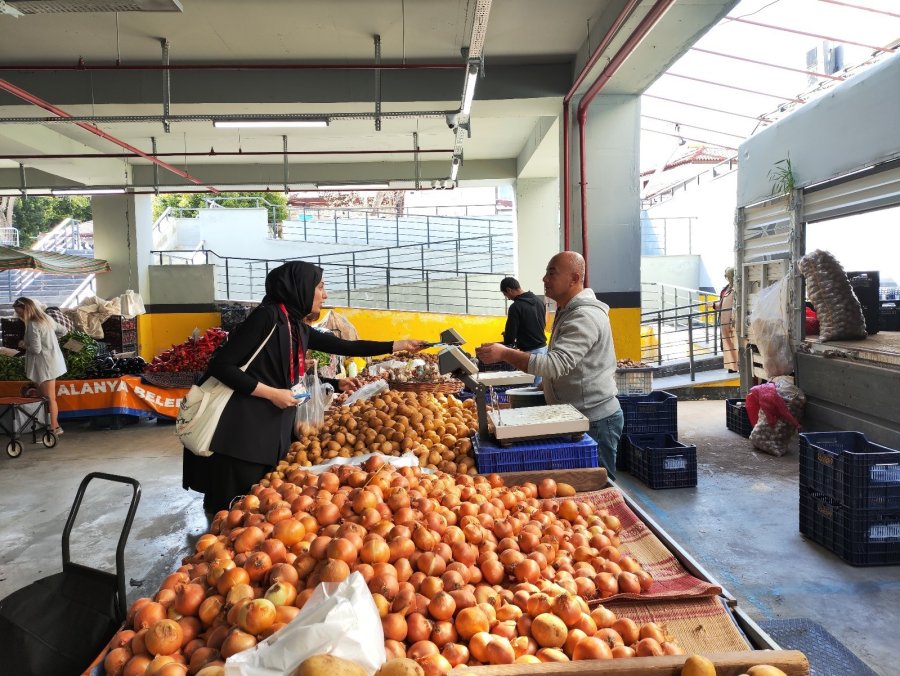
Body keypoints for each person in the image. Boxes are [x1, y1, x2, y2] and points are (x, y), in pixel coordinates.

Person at [183, 261, 426, 516]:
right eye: (320, 287)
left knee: (258, 509)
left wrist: (399, 345)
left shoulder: (296, 326)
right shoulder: (267, 317)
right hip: (242, 437)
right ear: (299, 287)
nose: (325, 294)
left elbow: (347, 347)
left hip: (270, 435)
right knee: (231, 513)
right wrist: (272, 394)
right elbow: (223, 366)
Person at [476, 252, 624, 479]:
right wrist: (548, 384)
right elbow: (569, 362)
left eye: (552, 273)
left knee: (598, 487)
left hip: (595, 419)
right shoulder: (566, 310)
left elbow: (555, 364)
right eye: (546, 272)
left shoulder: (584, 315)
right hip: (574, 416)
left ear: (574, 279)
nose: (544, 279)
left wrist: (505, 353)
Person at [13, 297, 67, 436]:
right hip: (53, 362)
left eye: (20, 313)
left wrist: (23, 345)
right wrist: (52, 342)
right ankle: (53, 426)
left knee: (49, 398)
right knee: (48, 398)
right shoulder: (46, 318)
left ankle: (54, 428)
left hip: (44, 365)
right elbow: (63, 330)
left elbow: (36, 349)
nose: (19, 316)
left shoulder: (33, 324)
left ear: (27, 310)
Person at [500, 277, 548, 384]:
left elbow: (510, 337)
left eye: (505, 294)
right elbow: (542, 324)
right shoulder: (539, 301)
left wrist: (506, 339)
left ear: (509, 290)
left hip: (529, 354)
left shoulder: (515, 307)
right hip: (544, 350)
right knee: (541, 387)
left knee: (530, 391)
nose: (507, 298)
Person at [713, 267, 738, 372]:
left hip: (731, 321)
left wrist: (717, 305)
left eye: (727, 275)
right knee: (726, 344)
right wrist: (715, 305)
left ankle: (735, 366)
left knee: (732, 343)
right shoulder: (727, 288)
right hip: (724, 319)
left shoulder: (735, 289)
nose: (725, 277)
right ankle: (731, 366)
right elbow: (724, 302)